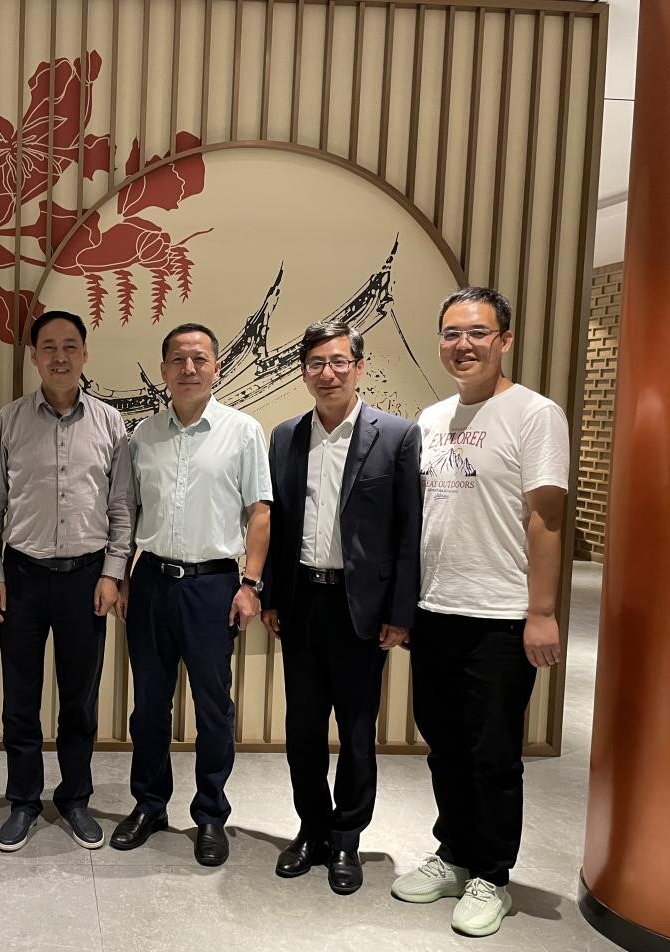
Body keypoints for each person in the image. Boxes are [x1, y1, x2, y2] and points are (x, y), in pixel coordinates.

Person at [391, 287, 569, 937]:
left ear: (504, 340)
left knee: (491, 753)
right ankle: (454, 853)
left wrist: (541, 612)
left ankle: (492, 875)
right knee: (443, 745)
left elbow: (546, 518)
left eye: (476, 332)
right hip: (436, 608)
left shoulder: (534, 414)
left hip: (500, 613)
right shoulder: (431, 417)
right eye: (450, 333)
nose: (462, 344)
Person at [261, 321, 422, 895]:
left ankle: (346, 837)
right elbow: (277, 525)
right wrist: (271, 595)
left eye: (337, 362)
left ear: (358, 366)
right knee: (302, 726)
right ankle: (311, 829)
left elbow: (408, 531)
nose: (326, 373)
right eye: (315, 363)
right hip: (302, 601)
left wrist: (400, 613)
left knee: (356, 730)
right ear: (303, 371)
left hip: (362, 609)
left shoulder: (396, 436)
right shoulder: (285, 436)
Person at [112, 322, 272, 867]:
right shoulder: (142, 435)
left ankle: (210, 814)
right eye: (178, 359)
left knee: (212, 707)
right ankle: (149, 805)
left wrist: (250, 584)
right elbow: (129, 510)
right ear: (163, 369)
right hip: (152, 581)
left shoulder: (243, 431)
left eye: (200, 358)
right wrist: (124, 576)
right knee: (149, 706)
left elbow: (260, 512)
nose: (189, 368)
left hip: (213, 586)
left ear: (216, 367)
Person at [0, 311, 134, 852]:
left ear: (85, 354)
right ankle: (23, 800)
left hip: (86, 579)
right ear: (34, 356)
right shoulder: (10, 420)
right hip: (21, 576)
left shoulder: (111, 423)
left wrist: (113, 572)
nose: (60, 356)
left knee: (79, 700)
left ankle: (74, 799)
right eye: (49, 347)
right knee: (20, 699)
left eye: (70, 346)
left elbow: (121, 506)